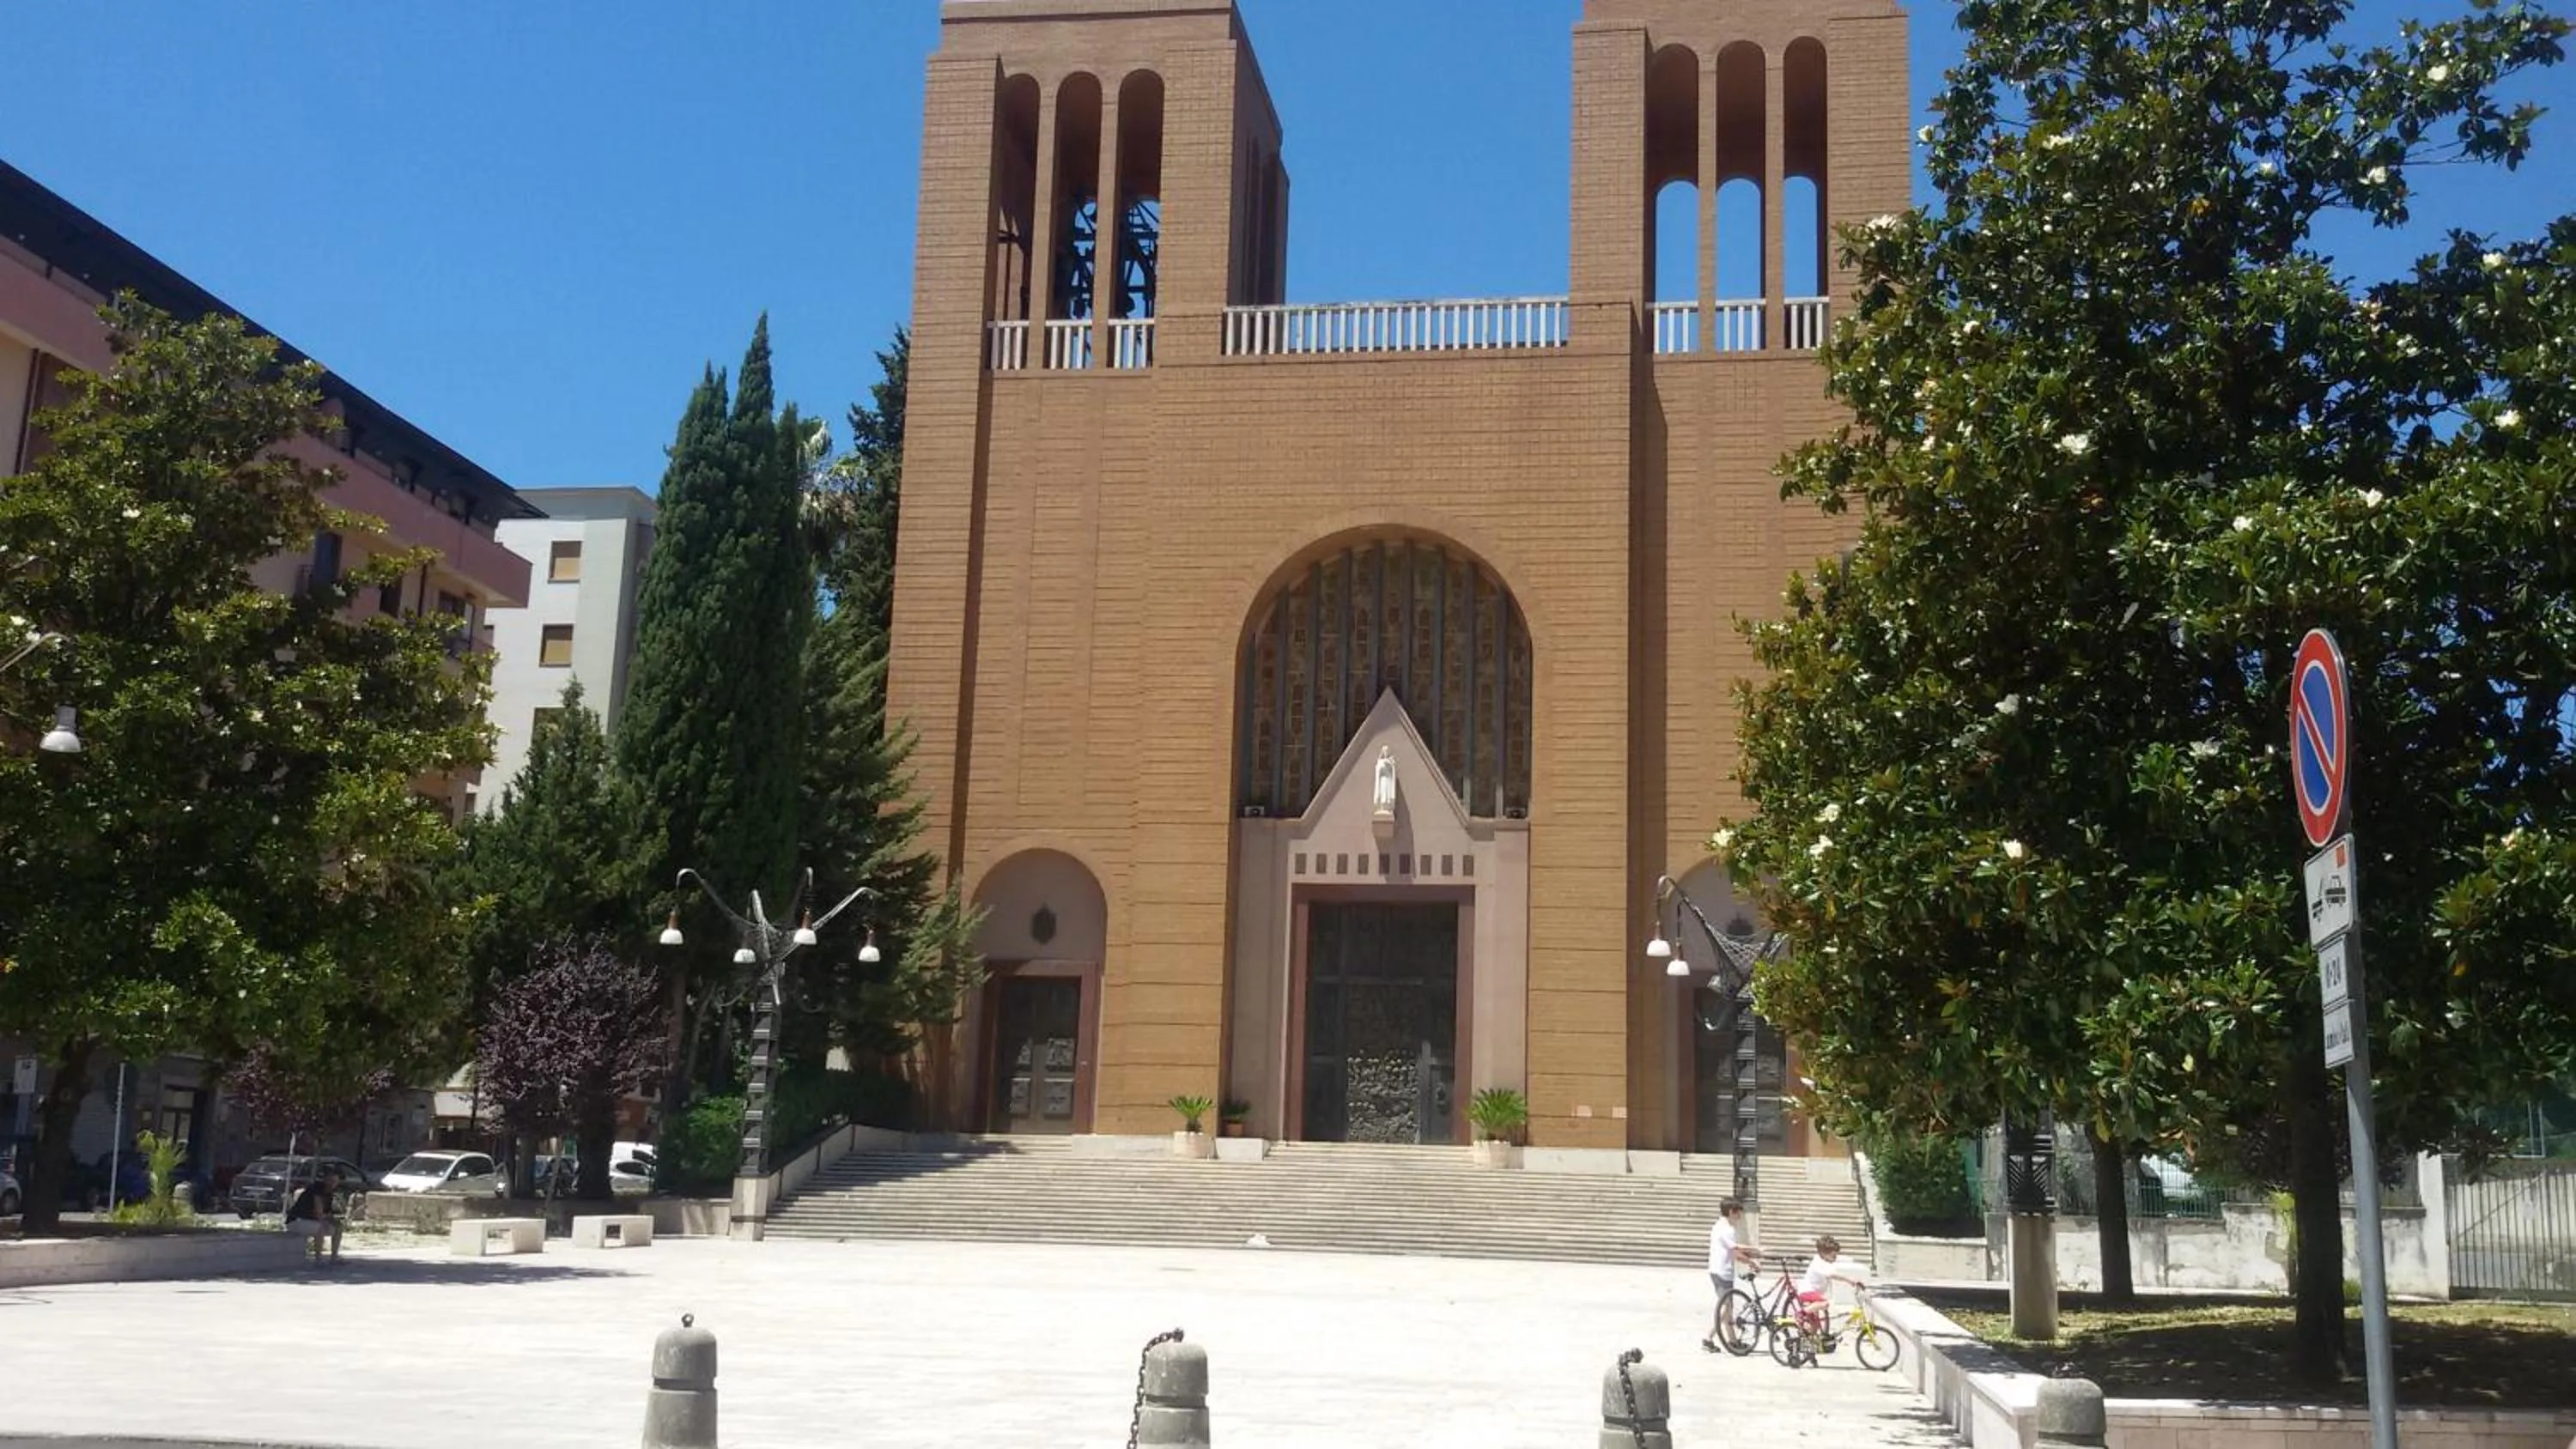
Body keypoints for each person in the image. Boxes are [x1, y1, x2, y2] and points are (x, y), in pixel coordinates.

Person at [1702, 1197, 1763, 1353]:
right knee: (1725, 1308)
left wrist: (1750, 1261)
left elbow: (1732, 1252)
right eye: (1738, 1213)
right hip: (1723, 1271)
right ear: (1731, 1212)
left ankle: (1733, 1341)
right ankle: (1708, 1338)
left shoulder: (1719, 1226)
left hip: (1717, 1269)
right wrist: (1755, 1250)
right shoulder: (1726, 1229)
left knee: (1727, 1308)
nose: (1740, 1217)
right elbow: (1735, 1249)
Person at [1796, 1234, 1868, 1343]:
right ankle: (1801, 1313)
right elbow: (1833, 1275)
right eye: (1833, 1256)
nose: (1835, 1258)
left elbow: (1838, 1266)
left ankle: (1808, 1344)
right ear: (1824, 1254)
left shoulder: (1824, 1261)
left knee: (1815, 1326)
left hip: (1813, 1294)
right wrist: (1850, 1281)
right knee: (1825, 1304)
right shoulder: (1818, 1263)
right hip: (1807, 1292)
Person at [284, 1167, 344, 1263]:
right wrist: (325, 1220)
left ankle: (334, 1257)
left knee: (338, 1227)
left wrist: (333, 1220)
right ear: (325, 1180)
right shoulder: (316, 1190)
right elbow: (318, 1213)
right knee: (320, 1228)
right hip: (296, 1221)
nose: (332, 1184)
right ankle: (318, 1259)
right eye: (330, 1180)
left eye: (335, 1182)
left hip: (310, 1221)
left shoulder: (329, 1194)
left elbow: (327, 1213)